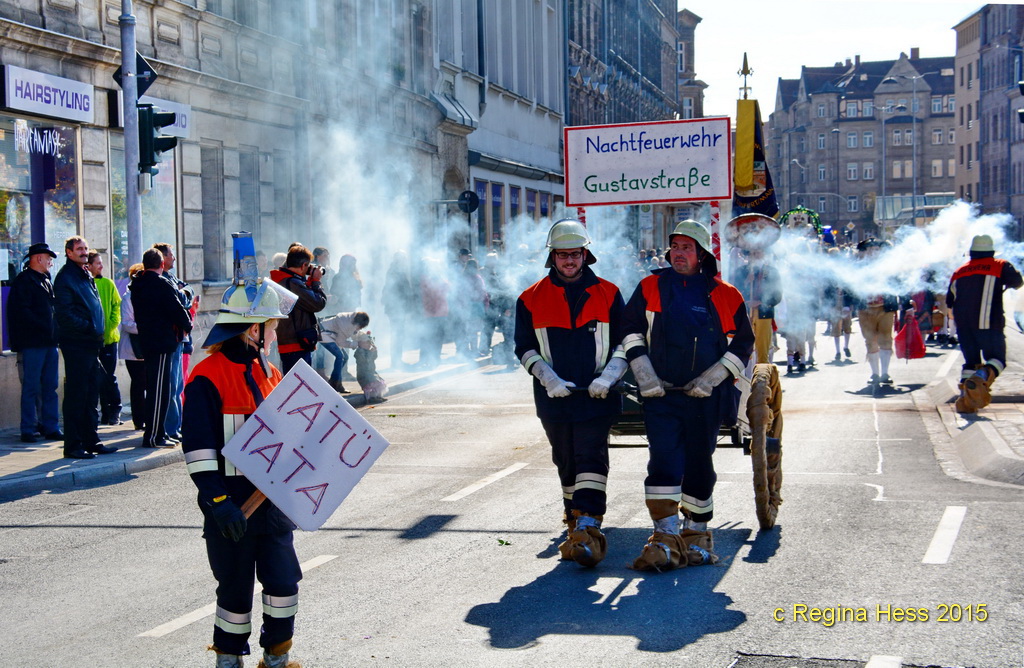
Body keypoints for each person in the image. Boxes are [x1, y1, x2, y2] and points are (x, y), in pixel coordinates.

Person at [182, 278, 303, 668]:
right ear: (253, 329)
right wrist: (218, 503)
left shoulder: (269, 371)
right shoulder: (207, 375)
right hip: (231, 509)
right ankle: (229, 659)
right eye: (271, 326)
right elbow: (199, 452)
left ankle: (277, 656)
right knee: (234, 593)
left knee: (284, 585)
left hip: (272, 508)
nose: (274, 334)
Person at [622, 220, 754, 570]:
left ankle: (696, 533)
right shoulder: (650, 286)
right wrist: (643, 371)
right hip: (659, 394)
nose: (679, 253)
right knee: (663, 459)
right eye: (675, 247)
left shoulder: (726, 294)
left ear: (701, 256)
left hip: (704, 398)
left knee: (699, 461)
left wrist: (713, 378)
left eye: (687, 248)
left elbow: (743, 345)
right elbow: (630, 330)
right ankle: (664, 534)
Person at [514, 219, 628, 568]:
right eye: (562, 255)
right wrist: (549, 379)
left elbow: (627, 342)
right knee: (565, 460)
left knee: (590, 456)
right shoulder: (530, 298)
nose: (569, 261)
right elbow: (524, 348)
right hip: (555, 399)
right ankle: (574, 520)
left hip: (597, 396)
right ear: (552, 257)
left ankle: (590, 524)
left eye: (575, 254)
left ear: (585, 255)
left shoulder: (609, 293)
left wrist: (608, 377)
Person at [53, 236, 116, 459]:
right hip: (77, 344)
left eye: (85, 248)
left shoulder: (85, 274)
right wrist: (90, 328)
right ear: (69, 252)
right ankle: (73, 445)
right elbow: (65, 314)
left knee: (91, 394)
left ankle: (92, 440)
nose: (83, 252)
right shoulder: (65, 278)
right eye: (79, 249)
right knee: (76, 395)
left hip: (91, 344)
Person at [947, 234, 1024, 412]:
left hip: (964, 326)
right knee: (997, 360)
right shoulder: (1000, 265)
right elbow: (1018, 282)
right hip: (989, 323)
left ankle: (966, 402)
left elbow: (950, 301)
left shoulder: (959, 271)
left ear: (971, 253)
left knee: (970, 363)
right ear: (991, 252)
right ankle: (979, 378)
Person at [132, 248, 194, 448]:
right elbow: (176, 308)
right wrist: (188, 325)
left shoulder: (138, 283)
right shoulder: (159, 283)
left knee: (160, 390)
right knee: (160, 391)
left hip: (151, 341)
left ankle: (159, 434)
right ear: (161, 264)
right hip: (161, 341)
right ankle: (153, 436)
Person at [7, 242, 62, 443]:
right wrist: (44, 327)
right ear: (38, 258)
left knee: (50, 386)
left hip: (49, 343)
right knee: (31, 387)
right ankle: (28, 428)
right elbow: (21, 313)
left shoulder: (46, 280)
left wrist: (55, 331)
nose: (50, 262)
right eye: (48, 258)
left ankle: (50, 426)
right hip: (33, 343)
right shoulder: (24, 281)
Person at [153, 243, 196, 441]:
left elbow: (188, 291)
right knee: (170, 386)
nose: (175, 259)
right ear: (162, 258)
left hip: (179, 339)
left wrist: (185, 293)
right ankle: (169, 428)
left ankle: (175, 426)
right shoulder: (161, 281)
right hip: (169, 339)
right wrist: (184, 295)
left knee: (178, 385)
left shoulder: (171, 278)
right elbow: (180, 302)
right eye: (171, 255)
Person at [271, 244, 327, 373]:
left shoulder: (284, 280)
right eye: (307, 266)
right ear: (303, 265)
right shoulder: (292, 283)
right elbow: (318, 303)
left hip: (291, 342)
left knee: (295, 384)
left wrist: (308, 282)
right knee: (300, 386)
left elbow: (303, 301)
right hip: (297, 344)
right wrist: (316, 281)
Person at [86, 251, 123, 425]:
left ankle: (115, 409)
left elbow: (117, 307)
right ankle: (104, 413)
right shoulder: (86, 283)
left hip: (109, 340)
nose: (101, 266)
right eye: (98, 263)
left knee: (109, 377)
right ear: (89, 266)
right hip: (92, 341)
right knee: (96, 378)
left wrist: (110, 325)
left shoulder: (108, 284)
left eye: (101, 263)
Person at [855, 238, 899, 385]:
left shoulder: (889, 266)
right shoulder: (858, 267)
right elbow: (850, 286)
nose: (873, 251)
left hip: (885, 308)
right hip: (865, 309)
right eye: (870, 249)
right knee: (870, 340)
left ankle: (885, 373)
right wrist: (847, 306)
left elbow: (899, 284)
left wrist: (907, 304)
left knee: (886, 339)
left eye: (876, 249)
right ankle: (875, 373)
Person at [118, 263, 147, 431]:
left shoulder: (148, 295)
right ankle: (138, 419)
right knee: (138, 383)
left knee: (148, 383)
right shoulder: (129, 297)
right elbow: (127, 323)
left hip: (148, 345)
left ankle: (148, 417)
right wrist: (147, 327)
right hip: (133, 348)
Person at [318, 311, 371, 393]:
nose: (360, 328)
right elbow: (341, 342)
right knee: (340, 356)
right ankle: (335, 383)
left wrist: (365, 339)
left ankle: (335, 380)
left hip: (331, 335)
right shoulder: (346, 324)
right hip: (324, 334)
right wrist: (357, 344)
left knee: (345, 357)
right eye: (360, 326)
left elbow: (354, 333)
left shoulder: (352, 320)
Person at [380, 251, 415, 369]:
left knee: (398, 334)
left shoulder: (397, 270)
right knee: (397, 335)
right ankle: (396, 362)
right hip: (396, 308)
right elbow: (396, 291)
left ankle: (397, 360)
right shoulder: (395, 271)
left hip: (398, 307)